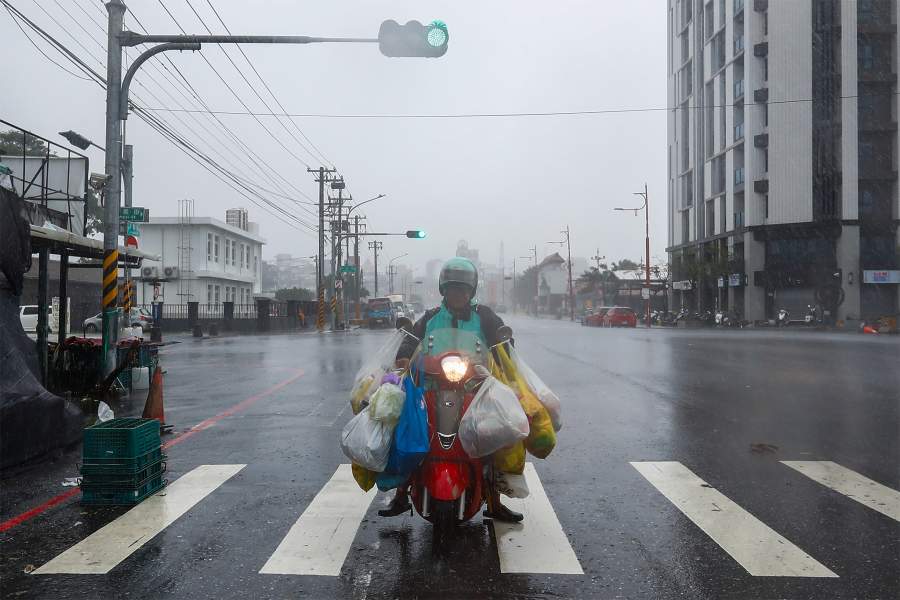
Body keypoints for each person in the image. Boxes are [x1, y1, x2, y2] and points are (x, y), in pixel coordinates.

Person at [378, 257, 524, 523]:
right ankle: (400, 493)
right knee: (410, 430)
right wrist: (403, 355)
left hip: (475, 389)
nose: (458, 294)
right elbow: (412, 340)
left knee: (494, 435)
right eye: (453, 289)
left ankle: (494, 500)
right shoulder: (431, 318)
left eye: (463, 290)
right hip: (432, 387)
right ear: (444, 291)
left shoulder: (485, 317)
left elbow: (499, 340)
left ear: (471, 292)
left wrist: (505, 346)